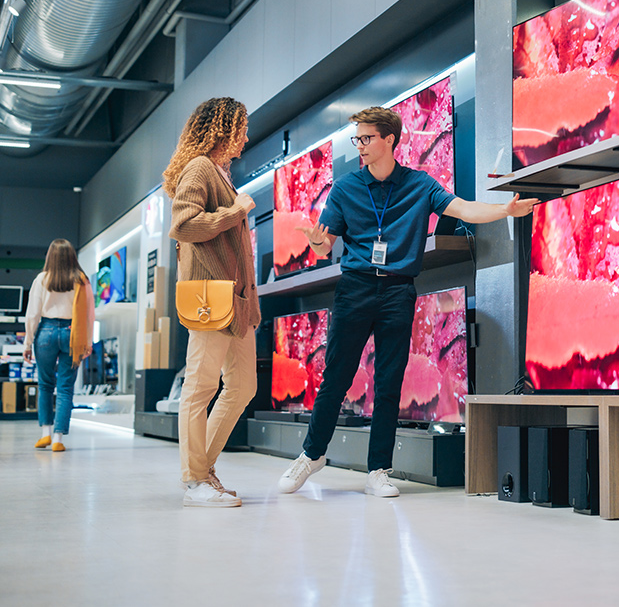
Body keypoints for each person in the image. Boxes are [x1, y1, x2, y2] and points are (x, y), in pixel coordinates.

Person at [278, 106, 537, 497]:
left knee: (389, 383)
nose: (360, 146)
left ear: (390, 140)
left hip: (398, 289)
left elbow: (462, 207)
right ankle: (311, 455)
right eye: (358, 139)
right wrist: (316, 242)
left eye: (367, 138)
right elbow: (324, 244)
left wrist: (504, 209)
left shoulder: (420, 184)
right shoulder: (346, 188)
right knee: (336, 378)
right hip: (355, 287)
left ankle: (378, 470)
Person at [164, 97, 260, 508]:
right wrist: (234, 212)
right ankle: (194, 481)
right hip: (211, 299)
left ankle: (204, 471)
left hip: (236, 303)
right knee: (201, 388)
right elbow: (183, 224)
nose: (246, 135)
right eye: (241, 126)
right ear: (223, 129)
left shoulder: (221, 173)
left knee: (242, 387)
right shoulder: (201, 168)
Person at [24, 239, 94, 452]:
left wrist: (28, 342)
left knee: (45, 385)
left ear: (50, 257)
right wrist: (88, 342)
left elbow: (32, 314)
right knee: (65, 388)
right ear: (72, 256)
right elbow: (89, 314)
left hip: (45, 332)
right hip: (72, 333)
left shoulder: (42, 279)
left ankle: (44, 433)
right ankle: (58, 438)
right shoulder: (81, 280)